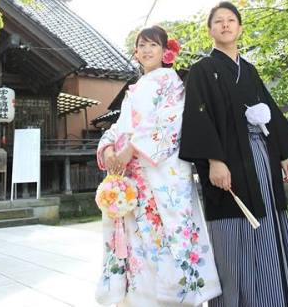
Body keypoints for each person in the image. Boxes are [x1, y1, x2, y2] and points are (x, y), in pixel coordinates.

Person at [179, 2, 288, 307]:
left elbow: (269, 114)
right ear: (210, 30)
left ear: (240, 28)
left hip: (260, 155)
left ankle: (276, 298)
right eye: (218, 21)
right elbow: (199, 118)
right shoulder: (202, 71)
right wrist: (213, 160)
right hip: (227, 161)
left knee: (270, 223)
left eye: (231, 20)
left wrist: (280, 154)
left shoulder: (249, 70)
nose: (225, 25)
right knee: (235, 232)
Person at [95, 25, 222, 306]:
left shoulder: (172, 83)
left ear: (166, 52)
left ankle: (175, 298)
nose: (147, 50)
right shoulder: (134, 90)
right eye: (141, 45)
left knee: (167, 236)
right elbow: (118, 126)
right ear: (136, 53)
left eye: (153, 45)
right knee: (138, 242)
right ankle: (144, 299)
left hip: (161, 174)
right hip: (134, 178)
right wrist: (108, 149)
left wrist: (130, 149)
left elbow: (171, 121)